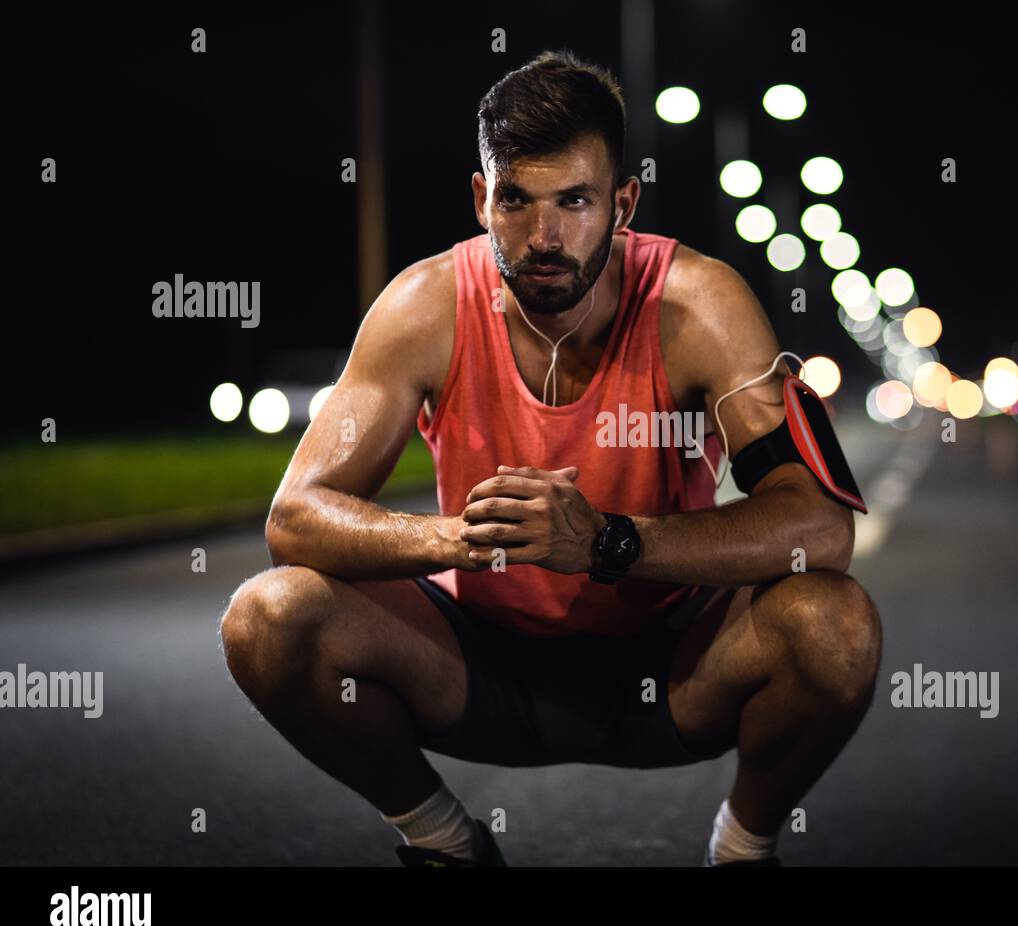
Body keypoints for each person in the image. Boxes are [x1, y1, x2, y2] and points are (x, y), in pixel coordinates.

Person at [219, 49, 882, 867]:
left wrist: (608, 542)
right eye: (516, 201)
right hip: (477, 665)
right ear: (481, 199)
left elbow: (819, 530)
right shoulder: (424, 306)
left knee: (834, 626)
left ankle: (742, 849)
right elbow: (295, 519)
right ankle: (443, 843)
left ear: (623, 203)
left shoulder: (700, 303)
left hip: (671, 662)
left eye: (574, 201)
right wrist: (462, 538)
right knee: (266, 617)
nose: (544, 237)